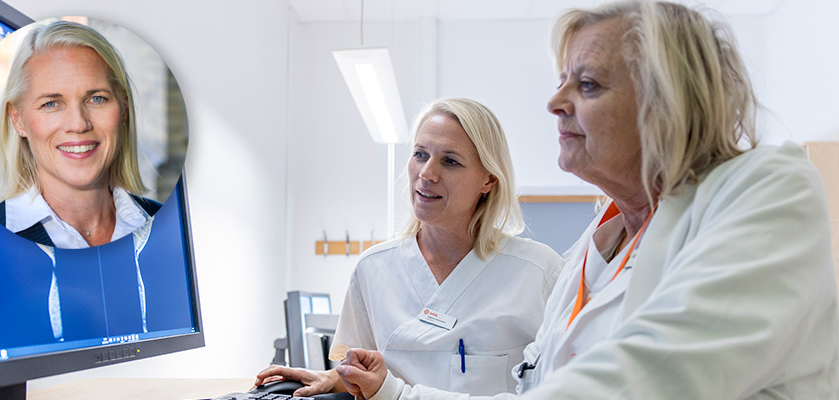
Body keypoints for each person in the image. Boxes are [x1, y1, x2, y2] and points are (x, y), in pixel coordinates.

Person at [334, 2, 839, 399]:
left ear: (666, 104)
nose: (555, 103)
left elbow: (649, 382)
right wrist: (392, 392)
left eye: (589, 84)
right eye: (562, 82)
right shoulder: (590, 252)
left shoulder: (766, 192)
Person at [255, 98, 563, 397]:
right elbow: (362, 371)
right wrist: (331, 378)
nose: (427, 173)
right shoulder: (373, 269)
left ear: (489, 180)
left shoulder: (539, 272)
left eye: (450, 161)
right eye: (420, 154)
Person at [0, 20, 160, 249]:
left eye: (97, 99)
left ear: (124, 108)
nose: (78, 124)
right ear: (18, 120)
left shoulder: (171, 225)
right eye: (51, 104)